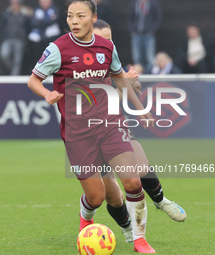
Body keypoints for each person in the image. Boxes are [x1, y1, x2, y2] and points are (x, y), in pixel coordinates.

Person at [28, 1, 156, 253]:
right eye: (70, 16)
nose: (73, 21)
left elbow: (119, 77)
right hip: (78, 134)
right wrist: (47, 94)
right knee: (96, 196)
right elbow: (33, 80)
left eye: (80, 16)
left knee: (132, 182)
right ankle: (86, 217)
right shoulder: (57, 49)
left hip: (110, 125)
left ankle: (139, 239)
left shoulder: (107, 47)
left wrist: (140, 108)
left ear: (93, 18)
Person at [92, 19, 186, 244]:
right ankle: (126, 229)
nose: (108, 43)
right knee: (113, 197)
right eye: (102, 39)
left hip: (115, 128)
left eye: (110, 38)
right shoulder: (81, 68)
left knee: (140, 168)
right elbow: (103, 105)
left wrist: (132, 85)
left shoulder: (111, 60)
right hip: (89, 135)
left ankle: (160, 200)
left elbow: (129, 89)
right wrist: (125, 86)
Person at [127, 0, 162, 73]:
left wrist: (152, 30)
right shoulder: (134, 4)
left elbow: (158, 18)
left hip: (148, 34)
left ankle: (150, 74)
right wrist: (132, 30)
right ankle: (139, 74)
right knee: (137, 57)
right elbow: (130, 18)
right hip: (136, 34)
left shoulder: (153, 3)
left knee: (150, 57)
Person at [0, 0, 31, 75]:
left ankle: (14, 76)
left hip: (20, 40)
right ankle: (13, 69)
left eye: (16, 4)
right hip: (8, 39)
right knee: (4, 55)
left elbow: (29, 25)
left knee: (18, 59)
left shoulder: (24, 15)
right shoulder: (6, 14)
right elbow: (2, 27)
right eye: (13, 4)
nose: (15, 6)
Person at [28, 0, 61, 64]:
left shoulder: (54, 10)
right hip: (39, 37)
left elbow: (53, 20)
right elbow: (33, 22)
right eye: (42, 1)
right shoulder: (37, 10)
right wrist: (46, 21)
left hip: (51, 37)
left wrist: (40, 21)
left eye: (46, 1)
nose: (44, 3)